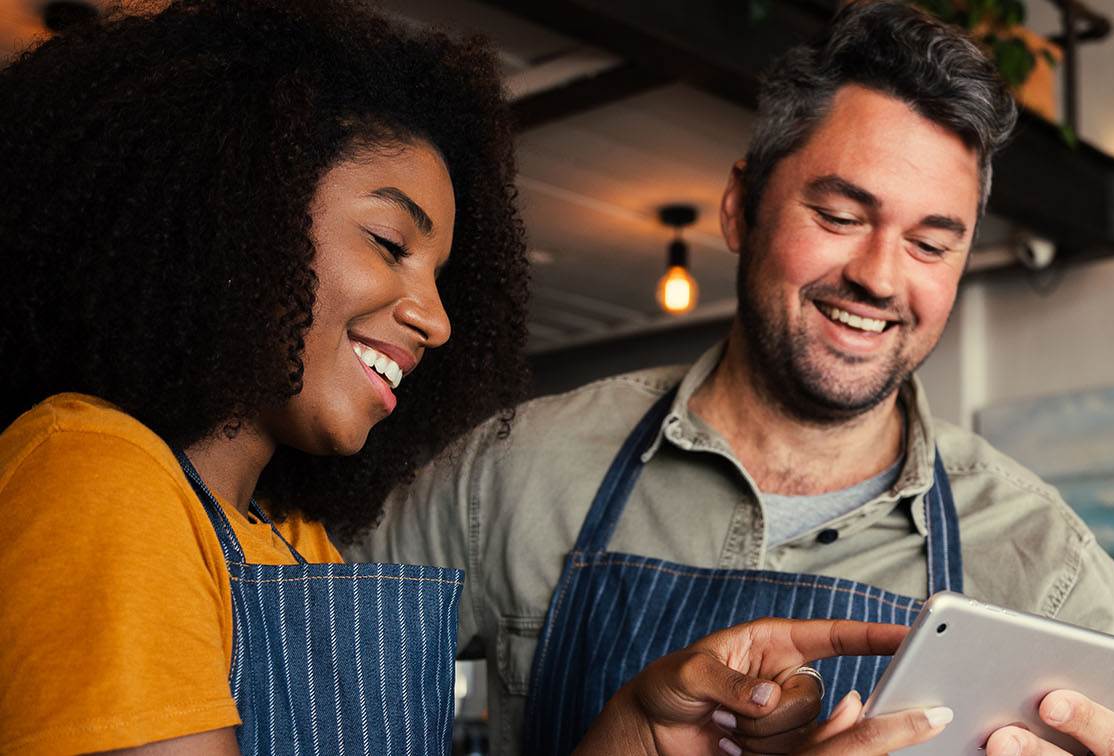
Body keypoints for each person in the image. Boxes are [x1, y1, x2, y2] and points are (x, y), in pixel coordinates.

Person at [0, 2, 936, 755]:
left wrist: (632, 739)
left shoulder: (289, 540)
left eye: (441, 276)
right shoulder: (95, 475)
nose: (437, 320)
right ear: (226, 210)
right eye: (389, 243)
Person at [351, 2, 1114, 756]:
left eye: (930, 242)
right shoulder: (511, 474)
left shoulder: (1047, 570)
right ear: (740, 205)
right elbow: (305, 710)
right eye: (840, 216)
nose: (879, 275)